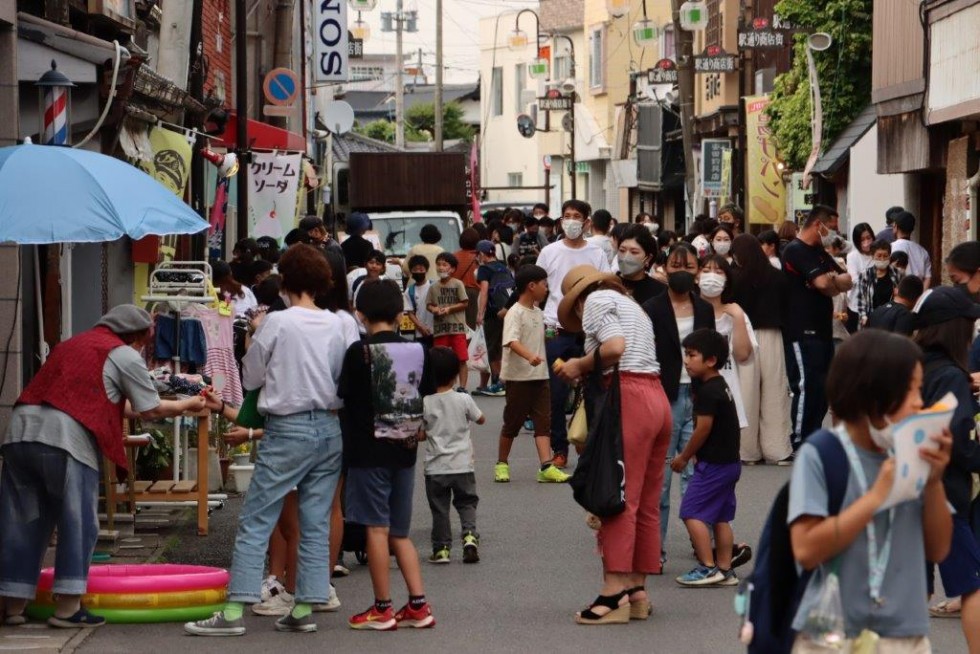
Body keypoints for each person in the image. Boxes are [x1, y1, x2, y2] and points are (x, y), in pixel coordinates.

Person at [185, 244, 358, 636]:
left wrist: (253, 342)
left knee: (256, 518)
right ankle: (304, 607)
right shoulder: (341, 324)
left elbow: (251, 379)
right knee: (315, 520)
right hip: (330, 429)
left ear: (286, 281)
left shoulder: (278, 323)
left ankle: (233, 611)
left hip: (287, 428)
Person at [0, 305, 205, 629]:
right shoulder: (122, 355)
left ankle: (12, 606)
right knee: (78, 522)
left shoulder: (74, 344)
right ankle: (68, 608)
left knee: (25, 521)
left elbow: (113, 402)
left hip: (19, 433)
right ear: (137, 336)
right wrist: (186, 404)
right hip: (65, 439)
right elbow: (148, 408)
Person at [787, 329, 952, 653]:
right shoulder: (822, 453)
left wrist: (934, 482)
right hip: (833, 634)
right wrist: (876, 498)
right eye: (911, 390)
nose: (921, 401)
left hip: (906, 634)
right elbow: (806, 550)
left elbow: (939, 549)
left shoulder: (911, 449)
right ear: (874, 393)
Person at [554, 265, 671, 625]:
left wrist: (579, 365)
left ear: (577, 299)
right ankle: (637, 589)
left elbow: (614, 347)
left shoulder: (596, 300)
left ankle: (613, 591)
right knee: (646, 501)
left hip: (628, 398)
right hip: (656, 396)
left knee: (617, 495)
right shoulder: (631, 303)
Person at [339, 279, 436, 631]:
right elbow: (424, 390)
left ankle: (382, 607)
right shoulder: (419, 350)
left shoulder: (358, 352)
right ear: (400, 314)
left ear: (359, 314)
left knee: (375, 531)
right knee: (399, 533)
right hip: (405, 451)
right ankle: (418, 605)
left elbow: (345, 397)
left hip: (368, 453)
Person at [913, 287, 980, 651]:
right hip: (943, 497)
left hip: (905, 490)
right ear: (955, 329)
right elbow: (958, 440)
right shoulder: (951, 375)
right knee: (973, 588)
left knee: (915, 588)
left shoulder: (915, 365)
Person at [642, 243, 715, 564]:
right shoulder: (652, 308)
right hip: (663, 397)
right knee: (661, 478)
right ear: (664, 269)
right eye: (675, 266)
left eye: (688, 266)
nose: (681, 272)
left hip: (699, 399)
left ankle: (704, 548)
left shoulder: (705, 309)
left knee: (696, 478)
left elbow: (713, 354)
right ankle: (653, 550)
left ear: (697, 271)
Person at [537, 199, 612, 469]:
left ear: (587, 222)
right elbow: (540, 289)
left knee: (592, 390)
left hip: (588, 331)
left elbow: (603, 286)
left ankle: (589, 445)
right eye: (567, 216)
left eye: (576, 216)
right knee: (556, 394)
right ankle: (560, 449)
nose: (571, 221)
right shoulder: (549, 252)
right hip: (554, 329)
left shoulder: (596, 253)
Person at [673, 329, 744, 587]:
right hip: (730, 463)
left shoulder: (708, 392)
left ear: (711, 360)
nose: (686, 360)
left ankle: (707, 566)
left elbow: (703, 428)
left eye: (692, 355)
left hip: (714, 465)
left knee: (691, 512)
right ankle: (725, 569)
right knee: (721, 517)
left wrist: (684, 455)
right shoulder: (719, 385)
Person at [781, 206, 852, 448]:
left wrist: (830, 282)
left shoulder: (821, 252)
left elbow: (847, 280)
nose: (834, 233)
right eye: (831, 228)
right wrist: (830, 281)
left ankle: (813, 435)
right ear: (818, 225)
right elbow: (823, 282)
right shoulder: (795, 250)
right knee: (806, 384)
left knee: (823, 387)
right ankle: (800, 439)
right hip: (800, 328)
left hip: (824, 328)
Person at [495, 265, 570, 484]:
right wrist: (529, 356)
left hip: (540, 376)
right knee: (512, 423)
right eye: (544, 284)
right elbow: (511, 341)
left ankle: (546, 466)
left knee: (543, 422)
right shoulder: (514, 312)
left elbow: (536, 338)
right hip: (519, 377)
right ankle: (501, 463)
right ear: (531, 286)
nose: (546, 289)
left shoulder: (539, 312)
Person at [730, 234, 793, 465]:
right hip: (772, 334)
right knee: (775, 390)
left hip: (743, 334)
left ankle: (746, 452)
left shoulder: (734, 278)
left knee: (746, 392)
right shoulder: (777, 277)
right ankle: (777, 450)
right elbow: (787, 308)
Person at [421, 346, 486, 564]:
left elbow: (420, 433)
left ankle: (441, 549)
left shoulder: (426, 402)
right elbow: (481, 418)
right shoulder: (463, 399)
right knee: (466, 503)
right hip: (463, 465)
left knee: (440, 509)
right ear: (456, 374)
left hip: (436, 467)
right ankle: (469, 536)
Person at [698, 255, 756, 432]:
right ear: (696, 276)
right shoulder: (689, 310)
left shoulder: (735, 313)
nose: (711, 276)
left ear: (727, 280)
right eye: (706, 271)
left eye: (718, 272)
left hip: (726, 391)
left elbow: (742, 355)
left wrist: (738, 317)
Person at [427, 252, 471, 393]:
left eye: (444, 265)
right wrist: (434, 309)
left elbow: (464, 303)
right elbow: (429, 304)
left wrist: (449, 309)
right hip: (440, 328)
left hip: (457, 328)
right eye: (439, 264)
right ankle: (442, 386)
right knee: (439, 360)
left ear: (452, 269)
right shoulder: (433, 287)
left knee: (461, 359)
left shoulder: (458, 284)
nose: (441, 267)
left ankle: (462, 387)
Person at [474, 240, 510, 397]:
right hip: (507, 310)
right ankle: (499, 381)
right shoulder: (503, 266)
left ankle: (498, 383)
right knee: (501, 347)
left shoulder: (484, 269)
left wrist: (480, 313)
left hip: (492, 312)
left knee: (492, 348)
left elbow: (484, 291)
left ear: (482, 254)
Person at [856, 239, 903, 328]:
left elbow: (900, 296)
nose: (882, 259)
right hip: (871, 320)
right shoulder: (865, 275)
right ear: (873, 256)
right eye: (879, 256)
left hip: (891, 320)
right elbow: (861, 300)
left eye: (885, 256)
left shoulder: (897, 273)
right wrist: (863, 317)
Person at [616, 224, 666, 305]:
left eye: (634, 252)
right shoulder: (606, 285)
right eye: (622, 250)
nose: (626, 257)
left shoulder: (660, 292)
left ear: (648, 258)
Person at [845, 223, 876, 333]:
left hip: (875, 305)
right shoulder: (853, 256)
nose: (867, 242)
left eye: (869, 238)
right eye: (862, 239)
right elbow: (855, 280)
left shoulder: (877, 254)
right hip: (856, 306)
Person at [890, 211, 932, 288]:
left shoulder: (890, 248)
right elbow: (928, 277)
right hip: (916, 295)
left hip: (897, 295)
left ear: (895, 226)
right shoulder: (923, 251)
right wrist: (921, 297)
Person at [452, 227, 482, 329]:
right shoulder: (479, 257)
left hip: (457, 292)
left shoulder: (454, 256)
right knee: (473, 325)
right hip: (475, 294)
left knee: (458, 324)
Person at [404, 255, 435, 348]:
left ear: (426, 270)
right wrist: (420, 327)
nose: (418, 272)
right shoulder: (409, 291)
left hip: (437, 331)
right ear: (411, 271)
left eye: (421, 269)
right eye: (415, 269)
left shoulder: (434, 286)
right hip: (420, 333)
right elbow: (410, 313)